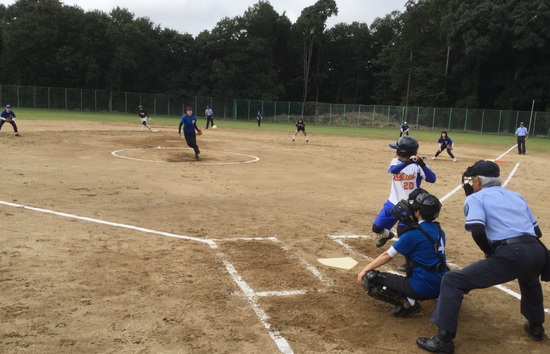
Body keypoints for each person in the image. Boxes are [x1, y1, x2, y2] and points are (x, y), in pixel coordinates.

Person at [416, 160, 546, 354]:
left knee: (452, 281)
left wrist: (490, 251)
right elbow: (537, 231)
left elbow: (477, 230)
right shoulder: (516, 196)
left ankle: (444, 341)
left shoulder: (475, 199)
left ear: (477, 181)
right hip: (537, 252)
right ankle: (536, 326)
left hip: (511, 254)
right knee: (529, 279)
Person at [357, 189, 447, 317]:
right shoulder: (439, 230)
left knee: (370, 278)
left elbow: (387, 255)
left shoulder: (413, 234)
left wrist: (364, 270)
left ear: (418, 212)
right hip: (442, 285)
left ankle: (410, 304)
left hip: (421, 288)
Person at [373, 136, 436, 248]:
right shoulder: (395, 162)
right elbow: (393, 170)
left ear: (401, 152)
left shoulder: (417, 166)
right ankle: (387, 235)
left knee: (404, 234)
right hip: (392, 203)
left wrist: (422, 164)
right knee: (377, 228)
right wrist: (407, 162)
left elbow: (432, 179)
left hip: (409, 207)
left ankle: (409, 261)